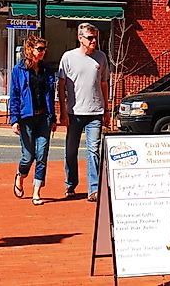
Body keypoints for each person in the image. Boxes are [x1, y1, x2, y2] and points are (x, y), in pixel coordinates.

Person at [58, 22, 111, 202]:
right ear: (80, 38)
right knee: (70, 150)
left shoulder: (101, 58)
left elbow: (104, 83)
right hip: (74, 112)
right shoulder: (68, 57)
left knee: (93, 150)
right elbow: (62, 84)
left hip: (95, 112)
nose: (94, 40)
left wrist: (106, 109)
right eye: (90, 37)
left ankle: (93, 189)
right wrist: (63, 111)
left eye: (95, 37)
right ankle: (70, 184)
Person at [10, 35, 56, 206]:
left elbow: (50, 95)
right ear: (30, 49)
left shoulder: (46, 70)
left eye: (44, 49)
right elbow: (14, 95)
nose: (43, 52)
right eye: (40, 49)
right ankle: (20, 176)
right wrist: (14, 119)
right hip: (26, 118)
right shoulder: (19, 70)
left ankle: (37, 191)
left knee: (42, 155)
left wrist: (53, 118)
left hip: (44, 117)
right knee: (28, 157)